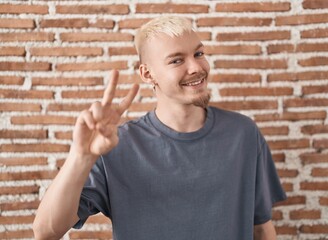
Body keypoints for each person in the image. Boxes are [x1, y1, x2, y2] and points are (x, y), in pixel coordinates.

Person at [33, 16, 286, 240]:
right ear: (147, 74)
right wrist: (82, 156)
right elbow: (46, 231)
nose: (196, 67)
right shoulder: (115, 144)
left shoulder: (243, 133)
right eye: (177, 60)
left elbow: (261, 227)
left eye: (198, 54)